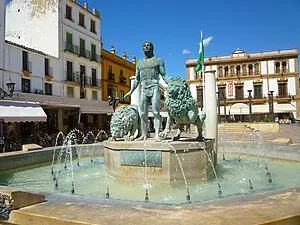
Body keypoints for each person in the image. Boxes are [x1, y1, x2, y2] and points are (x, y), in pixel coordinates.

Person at [124, 41, 169, 141]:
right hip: (144, 89)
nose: (146, 47)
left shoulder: (158, 60)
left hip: (154, 87)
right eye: (144, 46)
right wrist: (131, 92)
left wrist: (171, 83)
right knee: (142, 113)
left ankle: (157, 134)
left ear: (152, 48)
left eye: (148, 45)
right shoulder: (139, 63)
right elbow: (137, 79)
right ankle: (144, 135)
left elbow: (164, 75)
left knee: (156, 111)